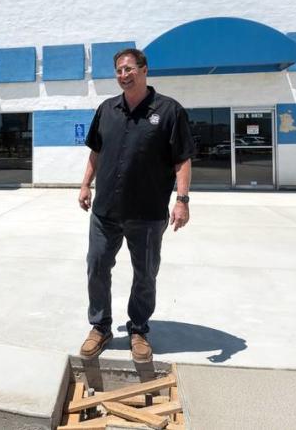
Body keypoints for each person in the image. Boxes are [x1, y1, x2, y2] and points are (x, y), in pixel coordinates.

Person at [77, 48, 195, 363]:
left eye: (129, 68)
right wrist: (85, 183)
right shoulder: (107, 109)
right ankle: (100, 327)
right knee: (97, 266)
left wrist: (181, 200)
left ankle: (139, 329)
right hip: (106, 211)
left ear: (144, 70)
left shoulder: (169, 111)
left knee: (144, 274)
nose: (123, 75)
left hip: (147, 213)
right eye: (118, 70)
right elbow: (96, 152)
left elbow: (182, 159)